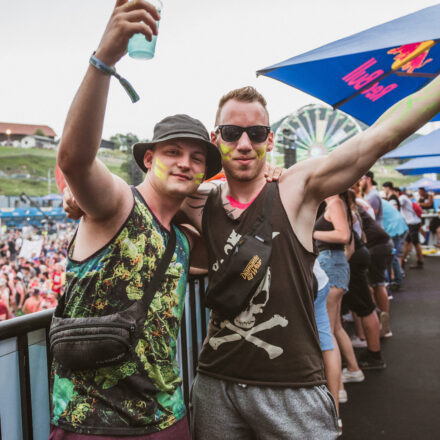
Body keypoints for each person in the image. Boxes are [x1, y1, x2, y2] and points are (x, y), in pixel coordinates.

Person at [65, 21, 440, 440]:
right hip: (216, 385)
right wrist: (76, 198)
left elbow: (380, 137)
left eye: (256, 133)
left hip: (293, 387)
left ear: (270, 140)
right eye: (231, 133)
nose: (244, 144)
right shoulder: (196, 201)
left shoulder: (297, 189)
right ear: (216, 139)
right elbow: (134, 196)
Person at [50, 1, 222, 438]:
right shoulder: (118, 203)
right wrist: (104, 60)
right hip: (93, 423)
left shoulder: (183, 239)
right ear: (148, 159)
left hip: (167, 416)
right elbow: (74, 159)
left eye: (196, 159)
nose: (184, 163)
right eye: (172, 152)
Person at [313, 193, 363, 413]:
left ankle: (338, 389)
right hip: (336, 263)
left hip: (330, 263)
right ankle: (353, 369)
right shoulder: (338, 204)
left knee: (328, 332)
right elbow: (350, 246)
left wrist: (312, 232)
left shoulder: (334, 203)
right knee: (335, 327)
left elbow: (343, 235)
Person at [399, 188, 424, 268]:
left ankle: (420, 262)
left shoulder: (402, 198)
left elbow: (398, 205)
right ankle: (402, 261)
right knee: (407, 242)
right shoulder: (405, 197)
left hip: (412, 223)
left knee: (415, 243)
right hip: (413, 223)